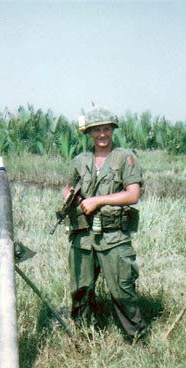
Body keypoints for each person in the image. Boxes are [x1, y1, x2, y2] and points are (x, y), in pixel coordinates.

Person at [62, 106, 146, 339]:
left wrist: (97, 201)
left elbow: (133, 194)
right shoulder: (80, 160)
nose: (102, 134)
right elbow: (68, 187)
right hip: (83, 236)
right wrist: (72, 199)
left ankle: (136, 338)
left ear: (112, 131)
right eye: (96, 130)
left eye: (106, 129)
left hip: (114, 235)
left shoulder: (125, 157)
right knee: (81, 289)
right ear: (89, 132)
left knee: (122, 290)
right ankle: (82, 335)